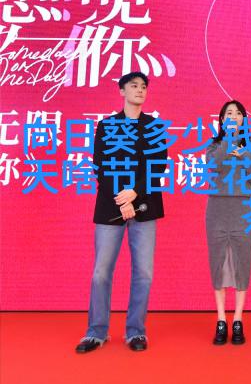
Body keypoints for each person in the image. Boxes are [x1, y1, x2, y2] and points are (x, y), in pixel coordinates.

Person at [75, 71, 167, 353]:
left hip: (144, 206)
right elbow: (101, 165)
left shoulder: (154, 127)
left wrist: (134, 193)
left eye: (144, 86)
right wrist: (122, 199)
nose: (140, 90)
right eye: (134, 86)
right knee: (101, 272)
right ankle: (96, 332)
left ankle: (136, 332)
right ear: (122, 91)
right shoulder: (107, 126)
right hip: (110, 207)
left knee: (144, 273)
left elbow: (158, 165)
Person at [205, 100, 251, 345]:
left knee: (242, 261)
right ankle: (221, 319)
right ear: (222, 120)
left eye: (238, 113)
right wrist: (228, 141)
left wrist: (244, 154)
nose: (233, 116)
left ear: (244, 120)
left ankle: (238, 319)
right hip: (217, 209)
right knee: (218, 263)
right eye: (228, 113)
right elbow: (214, 165)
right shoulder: (214, 144)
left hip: (243, 208)